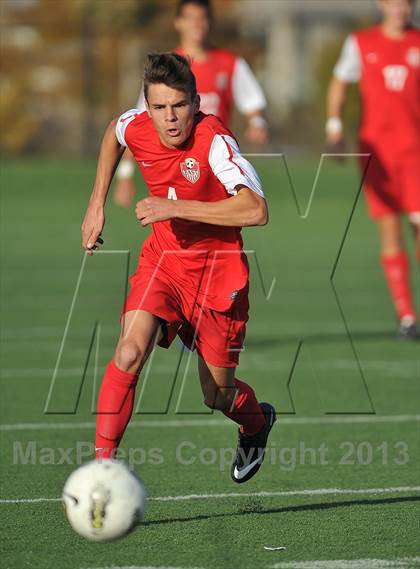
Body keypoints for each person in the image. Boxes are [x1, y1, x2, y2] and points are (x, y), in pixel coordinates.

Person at [81, 52, 276, 484]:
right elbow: (113, 135)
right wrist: (96, 205)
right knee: (129, 351)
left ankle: (256, 423)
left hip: (218, 277)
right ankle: (101, 467)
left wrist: (175, 206)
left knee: (217, 394)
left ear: (196, 102)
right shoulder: (138, 125)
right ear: (147, 106)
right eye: (159, 107)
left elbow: (256, 209)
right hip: (164, 263)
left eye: (179, 106)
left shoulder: (215, 142)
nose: (170, 118)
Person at [114, 0, 268, 208]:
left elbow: (252, 102)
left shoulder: (230, 63)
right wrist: (125, 174)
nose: (197, 24)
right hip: (171, 161)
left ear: (210, 22)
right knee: (172, 225)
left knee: (222, 220)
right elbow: (139, 124)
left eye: (202, 18)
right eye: (190, 18)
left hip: (212, 160)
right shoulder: (165, 70)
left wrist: (257, 123)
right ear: (178, 23)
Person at [326, 0, 420, 340]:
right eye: (395, 2)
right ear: (382, 4)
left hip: (416, 154)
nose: (401, 9)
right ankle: (407, 316)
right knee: (390, 228)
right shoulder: (361, 43)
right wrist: (335, 128)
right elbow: (339, 83)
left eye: (407, 3)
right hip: (377, 153)